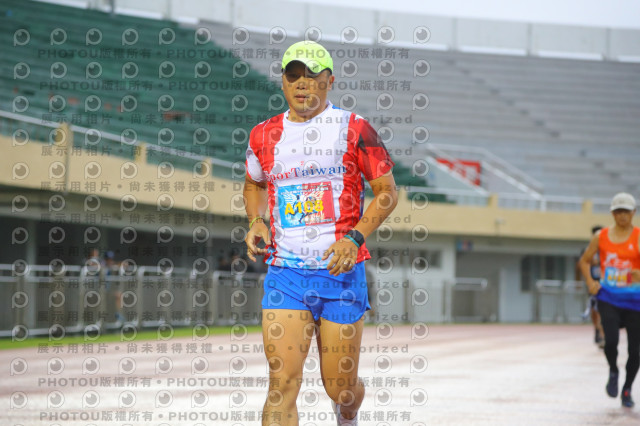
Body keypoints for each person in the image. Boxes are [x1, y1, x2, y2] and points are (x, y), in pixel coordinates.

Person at [244, 40, 398, 426]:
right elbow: (254, 184)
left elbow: (387, 193)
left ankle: (348, 413)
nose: (302, 83)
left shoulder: (355, 128)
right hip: (286, 274)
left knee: (340, 388)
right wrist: (256, 220)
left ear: (330, 81)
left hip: (340, 274)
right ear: (283, 81)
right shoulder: (262, 134)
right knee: (281, 384)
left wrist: (354, 238)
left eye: (312, 76)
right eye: (293, 75)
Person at [579, 192, 640, 408]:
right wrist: (590, 282)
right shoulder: (601, 236)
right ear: (613, 214)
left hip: (635, 301)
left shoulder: (638, 237)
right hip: (609, 298)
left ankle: (627, 388)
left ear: (633, 213)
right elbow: (585, 261)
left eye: (626, 211)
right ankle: (613, 370)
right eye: (618, 211)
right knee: (611, 341)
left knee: (635, 350)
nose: (622, 215)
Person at [576, 225, 605, 348]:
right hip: (592, 284)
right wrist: (581, 281)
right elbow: (580, 265)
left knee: (602, 309)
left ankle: (603, 335)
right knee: (594, 310)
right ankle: (597, 329)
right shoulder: (587, 250)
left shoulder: (606, 249)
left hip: (605, 284)